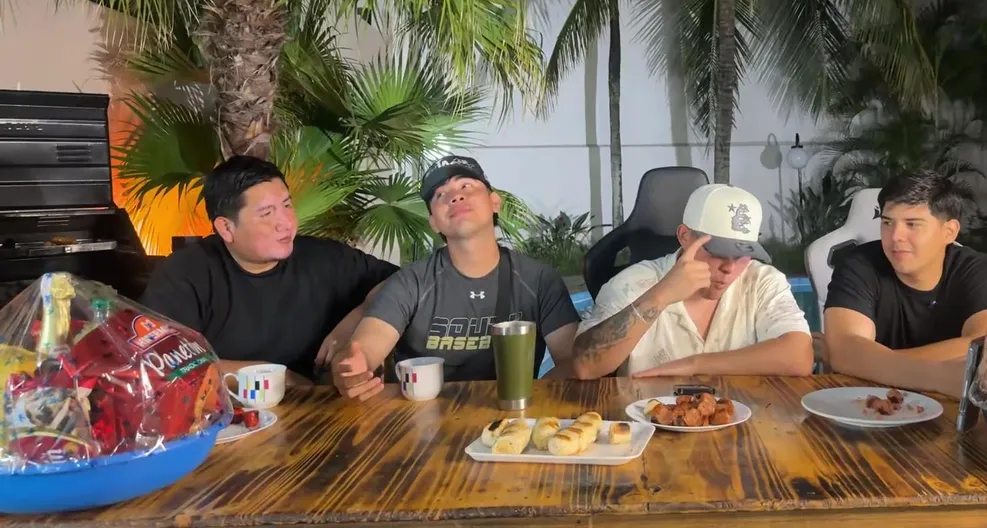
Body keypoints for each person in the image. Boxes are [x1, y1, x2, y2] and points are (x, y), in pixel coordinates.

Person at [332, 156, 579, 400]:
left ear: (494, 202)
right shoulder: (410, 283)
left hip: (511, 415)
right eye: (440, 194)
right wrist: (350, 370)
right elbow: (363, 351)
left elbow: (573, 362)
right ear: (433, 222)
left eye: (466, 186)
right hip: (420, 417)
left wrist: (532, 400)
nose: (455, 196)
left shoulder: (539, 280)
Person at [140, 156, 398, 385]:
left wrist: (360, 316)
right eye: (266, 213)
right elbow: (163, 365)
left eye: (287, 206)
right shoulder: (186, 274)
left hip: (323, 412)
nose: (286, 223)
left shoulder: (326, 258)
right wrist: (271, 376)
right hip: (229, 416)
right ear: (226, 228)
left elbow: (405, 282)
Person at [570, 184, 813, 379]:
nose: (729, 268)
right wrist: (660, 296)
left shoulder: (762, 281)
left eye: (741, 255)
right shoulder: (631, 283)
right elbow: (584, 366)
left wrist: (695, 365)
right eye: (717, 252)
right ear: (684, 236)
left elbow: (799, 356)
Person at [823, 171, 987, 396]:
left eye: (912, 224)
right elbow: (846, 351)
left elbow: (986, 347)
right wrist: (940, 376)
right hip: (871, 400)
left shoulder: (979, 269)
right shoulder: (859, 265)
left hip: (946, 405)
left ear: (949, 232)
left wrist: (867, 362)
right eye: (887, 222)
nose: (895, 237)